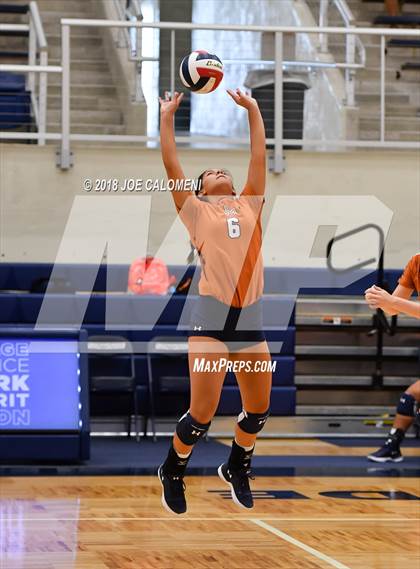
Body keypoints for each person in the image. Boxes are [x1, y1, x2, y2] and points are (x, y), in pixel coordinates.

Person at [157, 88, 272, 514]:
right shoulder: (196, 213)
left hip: (250, 316)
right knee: (201, 415)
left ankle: (237, 465)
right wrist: (167, 116)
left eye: (223, 169)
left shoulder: (250, 203)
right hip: (211, 316)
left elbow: (258, 157)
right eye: (209, 173)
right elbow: (172, 165)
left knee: (258, 410)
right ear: (201, 191)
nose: (219, 171)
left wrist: (253, 110)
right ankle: (173, 469)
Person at [365, 253, 419, 462]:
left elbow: (395, 302)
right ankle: (393, 445)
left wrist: (391, 300)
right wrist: (379, 300)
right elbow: (392, 308)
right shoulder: (416, 262)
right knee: (411, 396)